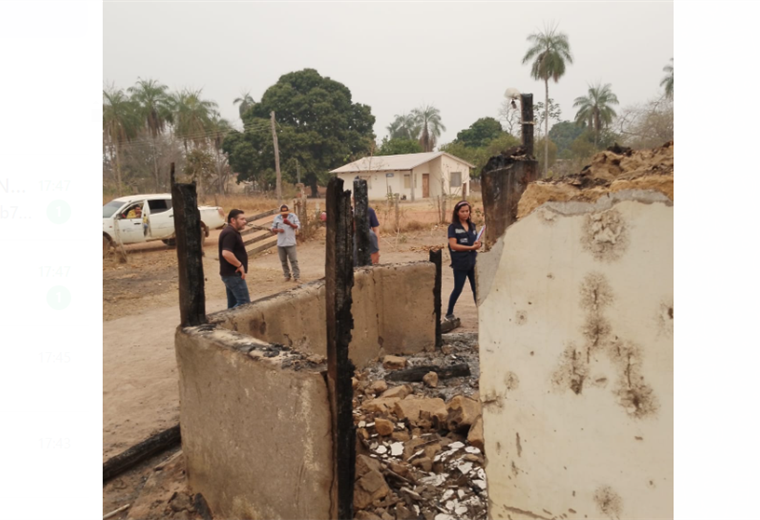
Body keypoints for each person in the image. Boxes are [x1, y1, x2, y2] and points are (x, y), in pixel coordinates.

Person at [445, 200, 481, 321]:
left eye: (467, 211)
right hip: (460, 263)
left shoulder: (472, 226)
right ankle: (449, 313)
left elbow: (475, 241)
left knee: (476, 289)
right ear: (457, 213)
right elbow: (453, 245)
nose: (465, 214)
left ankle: (481, 314)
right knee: (458, 288)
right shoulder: (453, 228)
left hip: (472, 261)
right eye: (462, 211)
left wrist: (477, 244)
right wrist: (471, 247)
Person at [219, 209, 250, 309]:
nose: (245, 221)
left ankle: (229, 323)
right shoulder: (230, 233)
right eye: (242, 219)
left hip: (230, 274)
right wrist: (239, 265)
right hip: (233, 275)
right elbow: (226, 253)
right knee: (244, 304)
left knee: (233, 306)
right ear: (233, 220)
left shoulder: (232, 232)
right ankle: (222, 321)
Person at [271, 204, 301, 283]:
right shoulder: (277, 218)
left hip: (290, 242)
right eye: (283, 211)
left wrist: (289, 223)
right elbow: (272, 229)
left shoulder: (293, 217)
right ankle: (287, 275)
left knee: (293, 260)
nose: (284, 213)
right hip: (281, 243)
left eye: (286, 211)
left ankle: (296, 276)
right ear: (280, 212)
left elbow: (297, 226)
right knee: (283, 261)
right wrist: (278, 230)